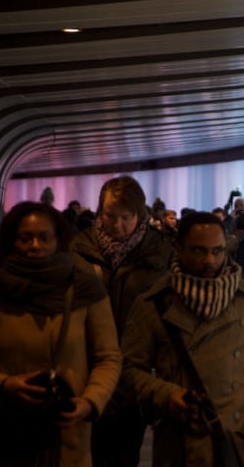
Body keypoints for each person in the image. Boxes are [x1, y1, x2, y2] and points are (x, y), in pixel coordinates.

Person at [120, 212, 244, 466]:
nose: (209, 260)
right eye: (198, 251)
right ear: (178, 249)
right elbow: (127, 368)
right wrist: (165, 395)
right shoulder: (153, 304)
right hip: (180, 441)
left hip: (238, 436)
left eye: (217, 251)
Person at [0, 202, 122, 466]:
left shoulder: (85, 290)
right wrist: (3, 385)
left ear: (59, 240)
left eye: (44, 237)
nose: (35, 245)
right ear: (12, 242)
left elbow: (108, 356)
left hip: (70, 435)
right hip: (12, 435)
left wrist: (90, 402)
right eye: (25, 238)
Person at [70, 175, 174, 467]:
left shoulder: (159, 253)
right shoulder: (79, 250)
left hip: (135, 370)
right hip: (86, 367)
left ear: (140, 215)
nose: (116, 225)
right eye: (108, 216)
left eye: (125, 218)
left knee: (125, 452)